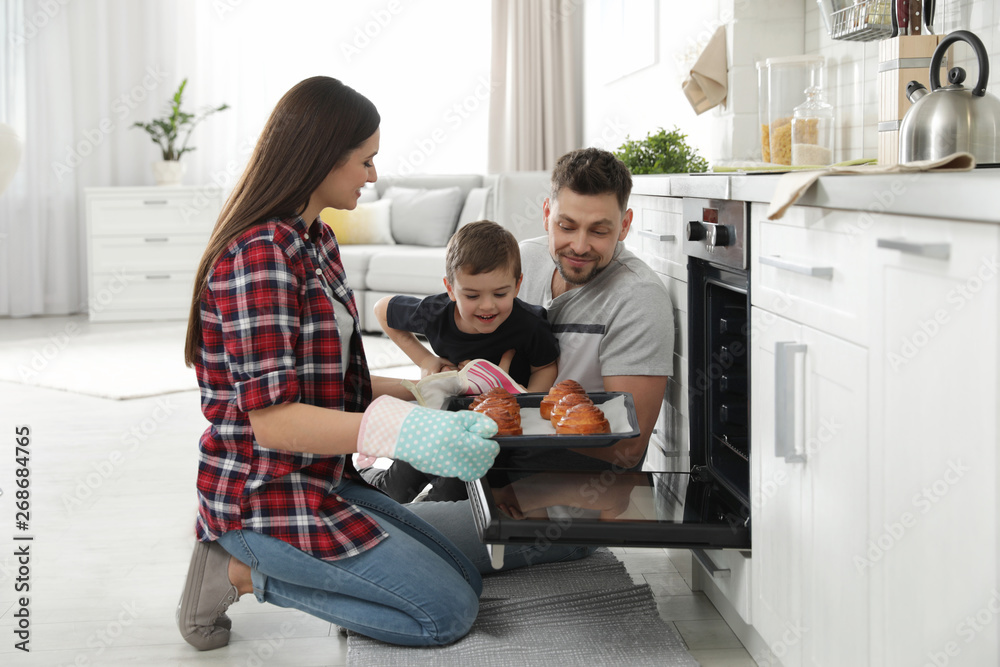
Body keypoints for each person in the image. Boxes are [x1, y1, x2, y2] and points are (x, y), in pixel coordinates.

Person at [175, 76, 587, 652]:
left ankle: (262, 560)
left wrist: (436, 389)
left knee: (466, 577)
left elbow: (330, 384)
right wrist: (409, 431)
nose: (373, 175)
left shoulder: (315, 240)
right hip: (265, 495)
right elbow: (273, 421)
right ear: (321, 157)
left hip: (324, 480)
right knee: (445, 614)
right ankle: (240, 570)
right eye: (365, 160)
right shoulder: (259, 257)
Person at [362, 220, 560, 502]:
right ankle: (366, 478)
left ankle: (427, 521)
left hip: (492, 436)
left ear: (518, 285)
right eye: (472, 295)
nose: (488, 305)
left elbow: (545, 365)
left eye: (500, 294)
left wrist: (525, 401)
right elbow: (382, 310)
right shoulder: (436, 312)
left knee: (450, 494)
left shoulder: (530, 324)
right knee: (395, 489)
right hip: (440, 421)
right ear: (451, 289)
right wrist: (426, 359)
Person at [515, 147, 674, 470]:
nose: (579, 246)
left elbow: (627, 449)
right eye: (566, 226)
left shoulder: (638, 297)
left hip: (567, 491)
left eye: (599, 231)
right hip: (486, 469)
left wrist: (513, 438)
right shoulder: (520, 262)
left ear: (625, 225)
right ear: (547, 214)